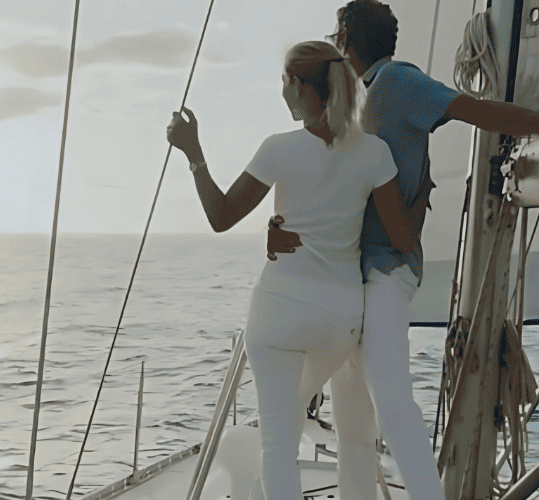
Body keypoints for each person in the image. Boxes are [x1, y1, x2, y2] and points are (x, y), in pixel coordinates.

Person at [267, 2, 539, 500]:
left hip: (383, 275)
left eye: (337, 33)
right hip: (346, 279)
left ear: (346, 39)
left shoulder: (395, 83)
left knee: (383, 407)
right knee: (354, 430)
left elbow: (474, 111)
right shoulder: (349, 103)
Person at [166, 40, 418, 500]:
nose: (282, 92)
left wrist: (193, 153)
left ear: (302, 88)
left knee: (277, 443)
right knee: (298, 416)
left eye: (285, 82)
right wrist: (423, 193)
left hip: (279, 312)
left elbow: (220, 217)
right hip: (339, 321)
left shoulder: (278, 149)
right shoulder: (375, 153)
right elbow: (402, 238)